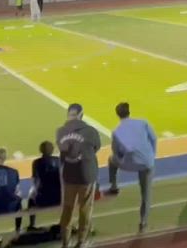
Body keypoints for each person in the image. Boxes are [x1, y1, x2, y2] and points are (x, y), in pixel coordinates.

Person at [56, 103, 101, 248]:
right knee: (85, 208)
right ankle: (81, 241)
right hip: (86, 173)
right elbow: (96, 148)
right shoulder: (91, 131)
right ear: (81, 115)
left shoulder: (61, 131)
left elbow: (62, 150)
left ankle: (65, 242)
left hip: (69, 174)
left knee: (67, 208)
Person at [107, 102, 157, 232]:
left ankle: (114, 186)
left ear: (117, 114)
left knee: (111, 160)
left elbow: (116, 152)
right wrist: (152, 155)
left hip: (128, 163)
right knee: (146, 193)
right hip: (147, 163)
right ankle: (143, 222)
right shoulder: (143, 123)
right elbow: (154, 139)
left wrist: (124, 156)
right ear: (129, 111)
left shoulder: (116, 131)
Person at [28, 141, 63, 230]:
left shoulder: (36, 163)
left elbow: (35, 181)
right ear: (52, 150)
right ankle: (64, 221)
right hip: (58, 198)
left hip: (43, 199)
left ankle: (32, 224)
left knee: (31, 199)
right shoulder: (59, 160)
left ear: (40, 150)